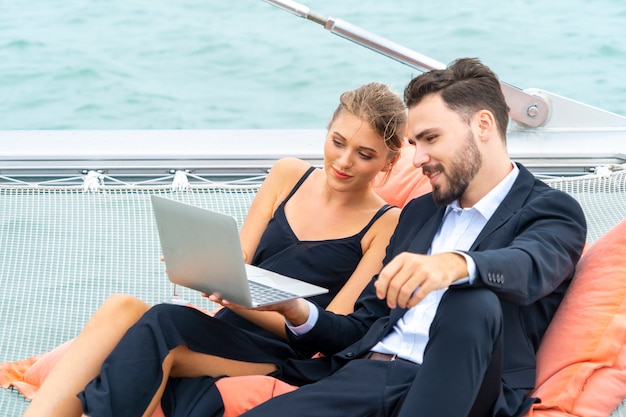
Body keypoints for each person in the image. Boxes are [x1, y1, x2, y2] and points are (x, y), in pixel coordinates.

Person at [72, 57, 586, 417]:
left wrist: (453, 265)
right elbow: (358, 327)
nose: (419, 156)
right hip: (364, 377)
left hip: (465, 385)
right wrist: (296, 311)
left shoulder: (549, 210)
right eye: (413, 143)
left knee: (470, 303)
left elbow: (532, 264)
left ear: (481, 126)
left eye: (430, 139)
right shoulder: (418, 217)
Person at [20, 81, 409, 417]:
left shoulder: (386, 223)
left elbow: (334, 332)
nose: (343, 161)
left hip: (287, 354)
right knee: (121, 307)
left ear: (389, 162)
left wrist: (250, 303)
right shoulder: (288, 174)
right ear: (327, 132)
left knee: (161, 323)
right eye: (338, 142)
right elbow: (236, 262)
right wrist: (199, 265)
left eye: (365, 154)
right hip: (226, 327)